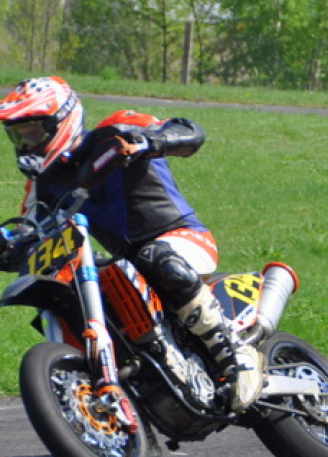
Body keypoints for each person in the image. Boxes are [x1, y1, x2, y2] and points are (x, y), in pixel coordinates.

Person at [0, 76, 263, 413]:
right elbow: (28, 230)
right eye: (18, 136)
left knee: (156, 257)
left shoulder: (117, 128)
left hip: (181, 239)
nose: (26, 145)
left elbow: (189, 131)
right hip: (130, 262)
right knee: (79, 289)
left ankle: (236, 355)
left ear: (61, 121)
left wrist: (150, 141)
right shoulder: (44, 184)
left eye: (33, 133)